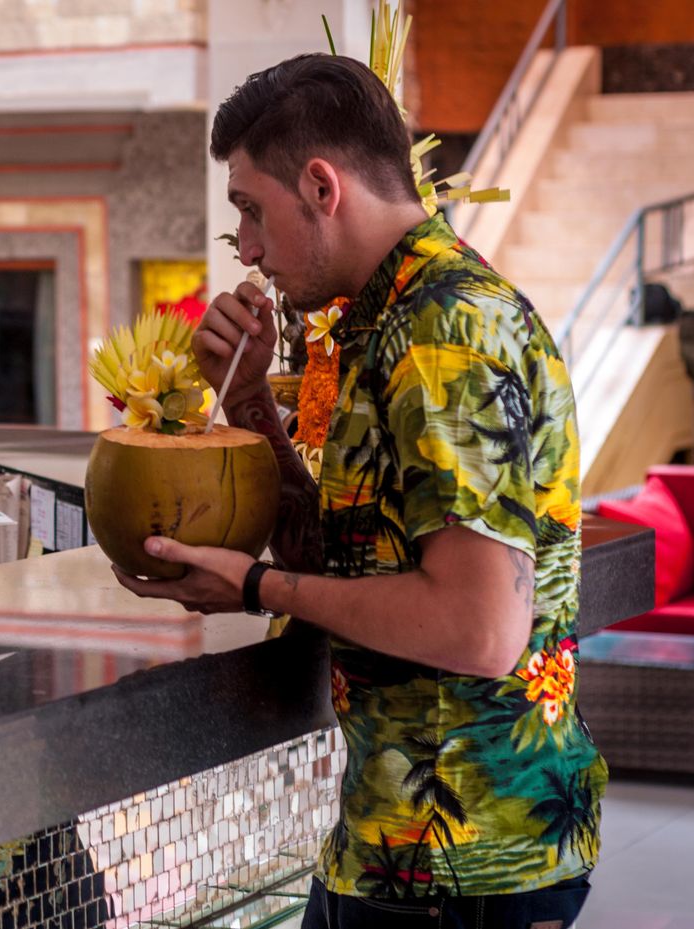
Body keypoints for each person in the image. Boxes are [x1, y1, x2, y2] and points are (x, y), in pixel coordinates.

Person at [115, 55, 604, 928]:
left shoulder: (443, 334)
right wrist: (251, 401)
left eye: (251, 211)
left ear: (321, 185)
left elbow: (481, 628)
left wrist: (253, 586)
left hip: (464, 864)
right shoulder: (389, 318)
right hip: (395, 846)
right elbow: (339, 564)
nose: (250, 249)